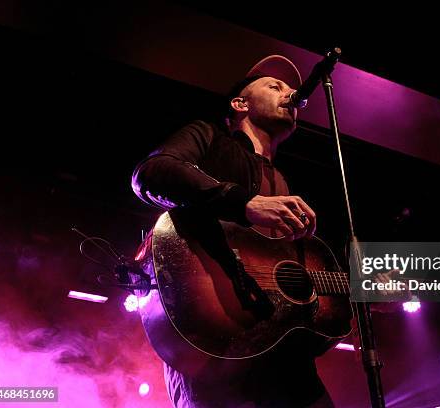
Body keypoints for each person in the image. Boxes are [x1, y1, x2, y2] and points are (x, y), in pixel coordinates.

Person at [131, 55, 335, 407]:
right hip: (215, 346)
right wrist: (243, 202)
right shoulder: (208, 137)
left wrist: (366, 296)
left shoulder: (284, 183)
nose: (289, 94)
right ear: (240, 103)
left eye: (290, 90)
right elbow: (152, 172)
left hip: (282, 356)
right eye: (275, 87)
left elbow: (295, 282)